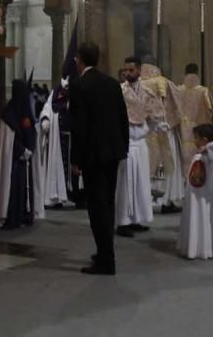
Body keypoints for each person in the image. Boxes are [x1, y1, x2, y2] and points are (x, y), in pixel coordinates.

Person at [69, 42, 128, 275]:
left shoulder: (79, 85)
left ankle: (106, 259)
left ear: (80, 60)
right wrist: (122, 147)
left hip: (93, 154)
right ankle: (105, 251)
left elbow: (79, 126)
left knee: (97, 207)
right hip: (112, 153)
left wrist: (76, 159)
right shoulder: (112, 83)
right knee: (108, 203)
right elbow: (122, 119)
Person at [117, 57, 165, 235]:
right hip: (127, 143)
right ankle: (122, 221)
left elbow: (154, 115)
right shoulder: (120, 91)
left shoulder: (147, 92)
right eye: (126, 70)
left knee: (141, 183)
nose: (127, 73)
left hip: (141, 142)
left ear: (138, 71)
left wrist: (156, 125)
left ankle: (136, 218)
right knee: (126, 184)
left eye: (131, 70)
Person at [0, 78, 42, 229]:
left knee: (25, 188)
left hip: (26, 160)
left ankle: (25, 215)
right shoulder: (9, 113)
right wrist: (20, 150)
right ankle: (11, 216)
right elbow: (8, 140)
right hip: (13, 161)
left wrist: (30, 149)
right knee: (13, 188)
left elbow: (32, 131)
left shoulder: (26, 111)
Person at [177, 124, 213, 259]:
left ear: (205, 140)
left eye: (196, 138)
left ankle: (197, 246)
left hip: (199, 197)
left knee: (200, 216)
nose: (194, 141)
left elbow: (194, 183)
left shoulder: (199, 158)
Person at [139, 60, 184, 214]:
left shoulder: (137, 85)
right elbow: (177, 105)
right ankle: (167, 200)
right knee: (169, 163)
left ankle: (145, 202)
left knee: (144, 166)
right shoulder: (165, 82)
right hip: (165, 130)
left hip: (144, 132)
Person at [172, 64, 213, 174]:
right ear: (197, 73)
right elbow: (211, 112)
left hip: (181, 130)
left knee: (182, 162)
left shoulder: (178, 90)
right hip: (200, 132)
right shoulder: (204, 91)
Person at [39, 72, 72, 209]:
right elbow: (45, 110)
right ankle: (54, 197)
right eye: (60, 92)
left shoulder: (70, 102)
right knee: (55, 168)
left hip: (69, 140)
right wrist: (45, 120)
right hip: (55, 141)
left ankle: (69, 195)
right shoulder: (52, 102)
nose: (60, 95)